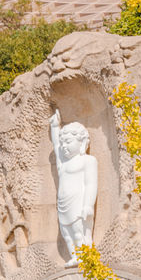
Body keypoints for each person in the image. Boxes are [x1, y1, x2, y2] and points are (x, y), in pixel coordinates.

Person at [49, 110, 98, 266]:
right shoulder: (63, 164)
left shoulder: (88, 161)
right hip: (64, 205)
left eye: (68, 142)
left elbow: (91, 184)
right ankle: (75, 256)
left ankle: (87, 256)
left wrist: (88, 205)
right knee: (67, 233)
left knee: (80, 231)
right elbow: (56, 145)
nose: (64, 146)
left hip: (79, 204)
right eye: (64, 143)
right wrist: (55, 127)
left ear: (81, 142)